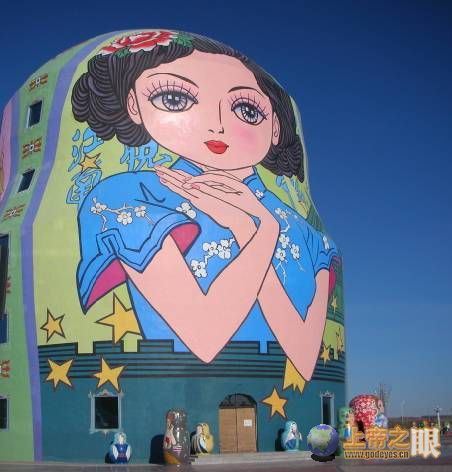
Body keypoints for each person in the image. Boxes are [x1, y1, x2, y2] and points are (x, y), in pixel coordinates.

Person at [72, 31, 338, 381]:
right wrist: (260, 235)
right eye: (174, 98)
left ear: (275, 126)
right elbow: (205, 337)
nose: (217, 125)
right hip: (173, 393)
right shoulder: (125, 197)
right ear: (133, 104)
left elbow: (304, 358)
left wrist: (257, 225)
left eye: (246, 109)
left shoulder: (307, 233)